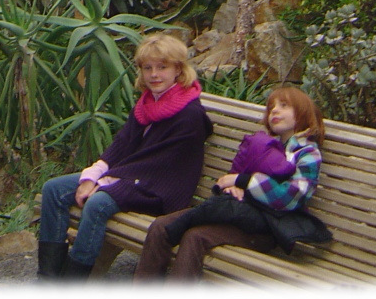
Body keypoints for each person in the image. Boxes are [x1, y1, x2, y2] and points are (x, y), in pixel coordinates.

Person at [37, 33, 213, 281]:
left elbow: (159, 165)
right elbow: (122, 144)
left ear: (178, 70)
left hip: (158, 191)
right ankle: (48, 280)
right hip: (131, 179)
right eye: (147, 68)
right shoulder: (148, 103)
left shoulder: (189, 115)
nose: (154, 74)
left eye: (162, 67)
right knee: (53, 189)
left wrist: (103, 182)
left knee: (97, 204)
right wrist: (94, 173)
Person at [133, 86, 331, 282]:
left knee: (195, 237)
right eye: (271, 107)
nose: (274, 111)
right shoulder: (264, 146)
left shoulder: (307, 154)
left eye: (284, 105)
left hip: (265, 229)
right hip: (234, 213)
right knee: (160, 225)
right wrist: (233, 187)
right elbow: (232, 177)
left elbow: (291, 197)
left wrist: (244, 181)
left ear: (302, 112)